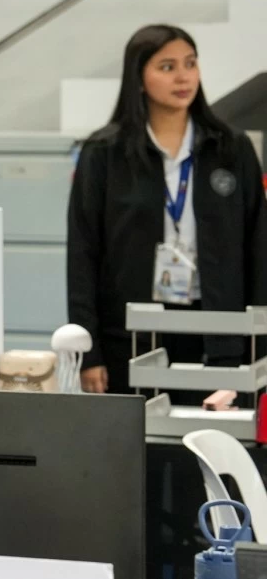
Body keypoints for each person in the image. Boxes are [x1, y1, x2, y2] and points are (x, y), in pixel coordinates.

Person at [68, 24, 267, 395]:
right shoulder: (104, 153)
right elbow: (82, 255)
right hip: (131, 336)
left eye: (190, 64)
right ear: (138, 79)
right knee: (138, 446)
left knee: (209, 439)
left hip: (219, 331)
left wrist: (261, 348)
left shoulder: (231, 148)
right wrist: (88, 352)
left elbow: (258, 248)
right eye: (167, 67)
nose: (183, 77)